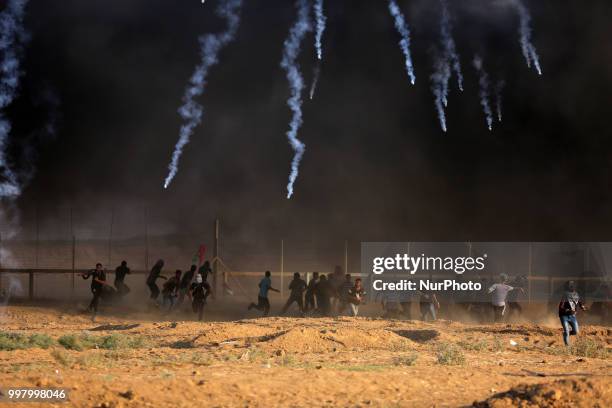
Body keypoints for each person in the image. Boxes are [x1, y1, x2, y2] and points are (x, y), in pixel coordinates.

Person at [558, 281, 587, 346]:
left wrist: (582, 307)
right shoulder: (565, 295)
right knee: (567, 331)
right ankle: (567, 346)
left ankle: (565, 333)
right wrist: (567, 310)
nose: (572, 287)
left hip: (572, 316)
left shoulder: (576, 294)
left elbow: (579, 302)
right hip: (564, 316)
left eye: (573, 285)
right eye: (571, 286)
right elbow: (560, 306)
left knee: (576, 332)